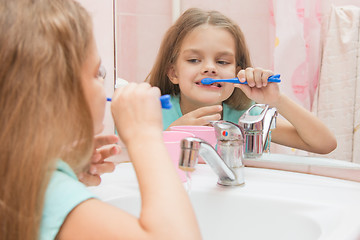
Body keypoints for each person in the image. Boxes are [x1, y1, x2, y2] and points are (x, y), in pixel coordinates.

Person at [0, 1, 201, 240]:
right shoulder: (45, 192)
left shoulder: (17, 178)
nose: (103, 80)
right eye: (98, 72)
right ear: (58, 92)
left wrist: (63, 169)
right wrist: (144, 136)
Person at [147, 8, 337, 154]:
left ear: (237, 74)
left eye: (222, 61)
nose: (210, 68)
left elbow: (324, 144)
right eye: (194, 60)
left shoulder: (247, 118)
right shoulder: (154, 113)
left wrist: (276, 99)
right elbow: (134, 167)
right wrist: (172, 135)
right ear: (173, 73)